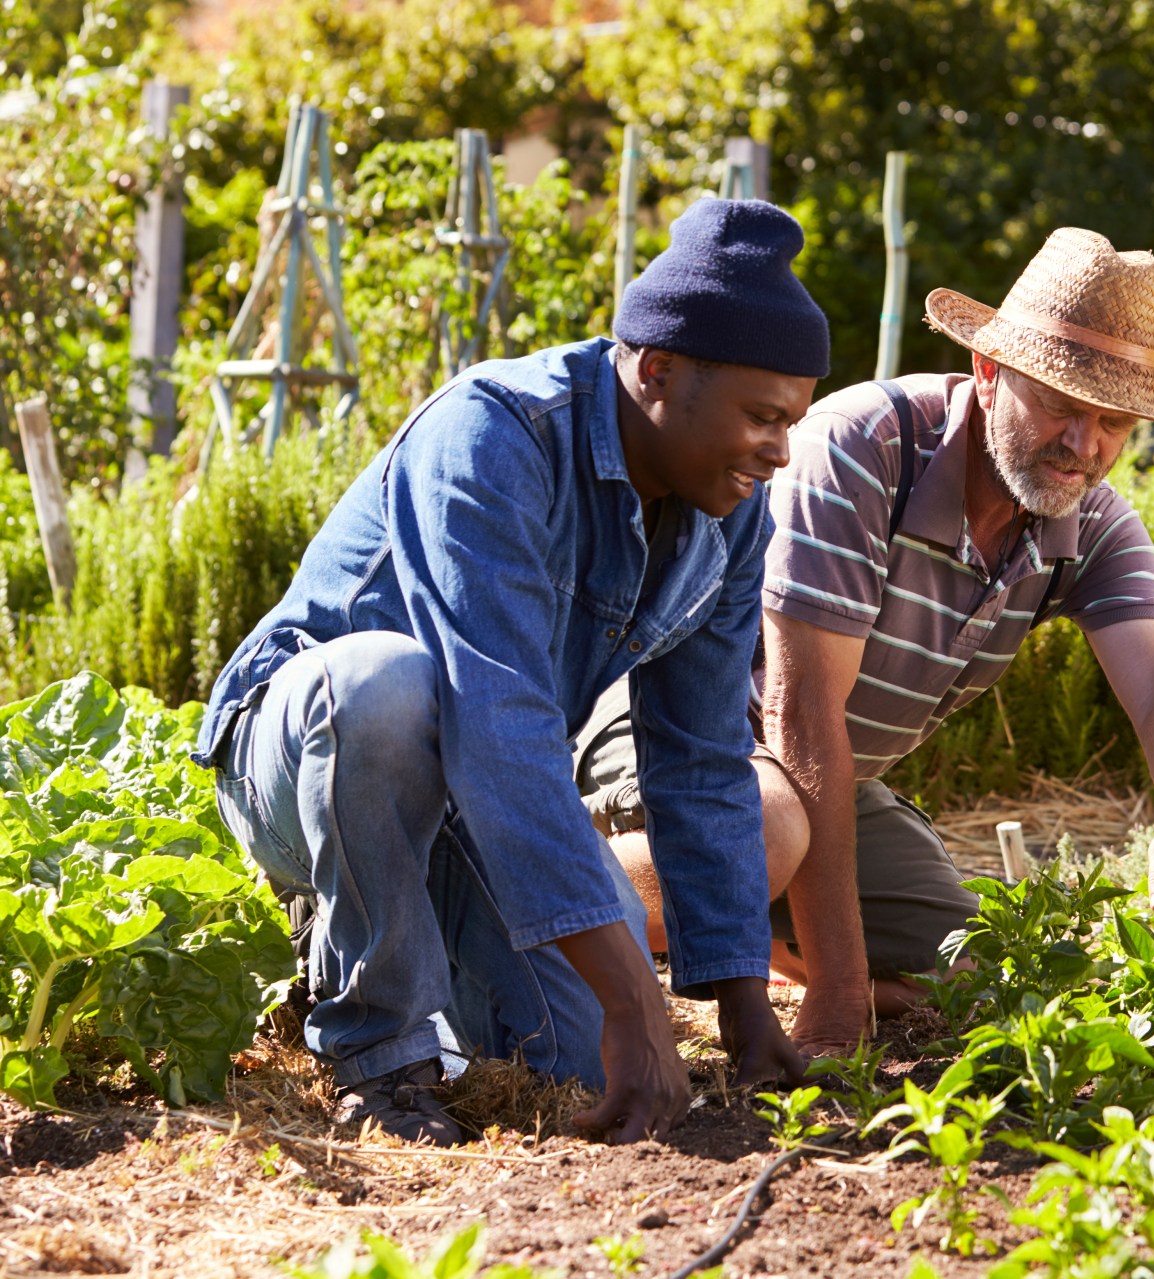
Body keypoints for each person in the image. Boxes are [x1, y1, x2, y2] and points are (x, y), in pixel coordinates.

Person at [193, 199, 823, 1145]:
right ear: (657, 370)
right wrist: (636, 1001)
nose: (780, 451)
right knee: (386, 682)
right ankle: (382, 1055)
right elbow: (498, 719)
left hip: (464, 796)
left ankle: (396, 945)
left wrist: (740, 1007)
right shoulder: (498, 435)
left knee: (575, 1057)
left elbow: (699, 758)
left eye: (794, 422)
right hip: (305, 757)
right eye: (762, 418)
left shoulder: (729, 517)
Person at [574, 226, 1154, 1055]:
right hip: (680, 735)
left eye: (1113, 421)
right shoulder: (863, 448)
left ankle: (763, 942)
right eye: (1063, 406)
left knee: (989, 969)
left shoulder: (1087, 518)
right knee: (771, 830)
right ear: (989, 375)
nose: (1086, 444)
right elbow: (799, 713)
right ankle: (528, 915)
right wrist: (842, 993)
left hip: (826, 783)